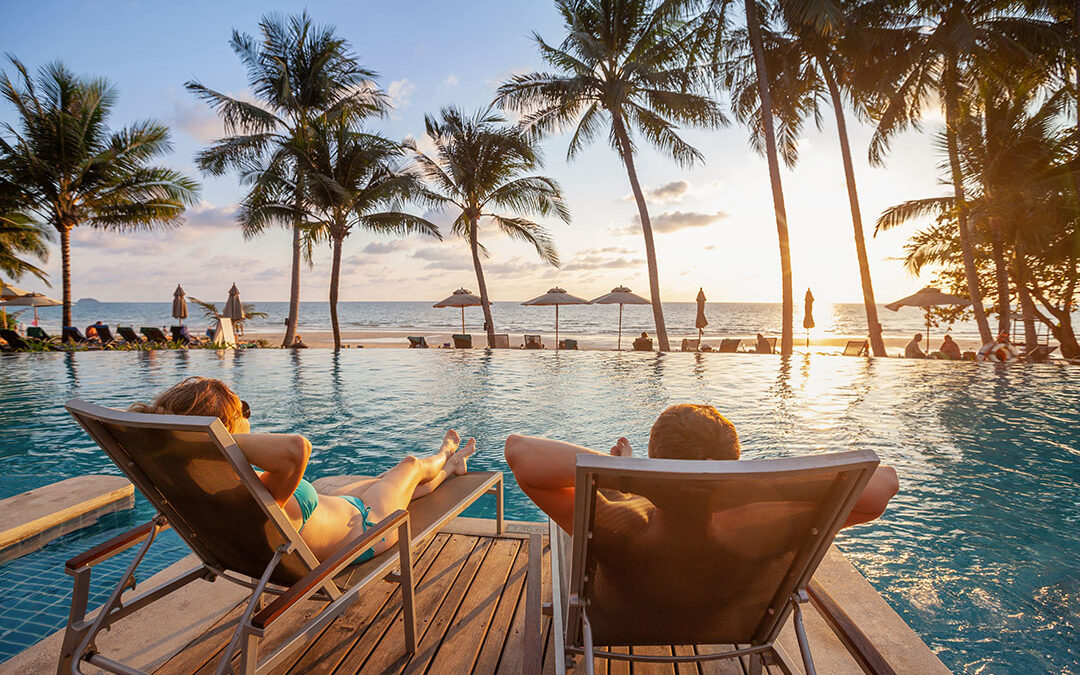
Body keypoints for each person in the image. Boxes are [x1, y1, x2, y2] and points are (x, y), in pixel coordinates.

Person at [129, 377, 475, 561]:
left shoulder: (198, 484)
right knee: (410, 467)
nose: (249, 417)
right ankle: (446, 452)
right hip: (367, 527)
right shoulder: (245, 489)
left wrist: (191, 442)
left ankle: (451, 467)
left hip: (338, 510)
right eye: (242, 411)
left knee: (399, 484)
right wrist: (214, 439)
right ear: (226, 430)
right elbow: (297, 448)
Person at [504, 404, 899, 536]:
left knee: (625, 503)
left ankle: (630, 484)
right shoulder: (763, 527)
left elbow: (520, 451)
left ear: (655, 462)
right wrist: (741, 484)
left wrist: (637, 475)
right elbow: (883, 484)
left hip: (624, 611)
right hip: (731, 622)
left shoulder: (620, 528)